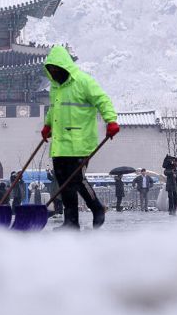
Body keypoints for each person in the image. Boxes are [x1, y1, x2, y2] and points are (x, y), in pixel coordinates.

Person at [40, 44, 119, 229]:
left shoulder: (84, 82)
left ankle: (97, 207)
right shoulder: (55, 88)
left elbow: (102, 100)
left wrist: (111, 121)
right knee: (63, 184)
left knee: (77, 180)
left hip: (80, 142)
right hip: (60, 144)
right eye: (50, 69)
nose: (53, 72)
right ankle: (71, 222)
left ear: (64, 66)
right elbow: (53, 109)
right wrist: (47, 125)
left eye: (56, 68)